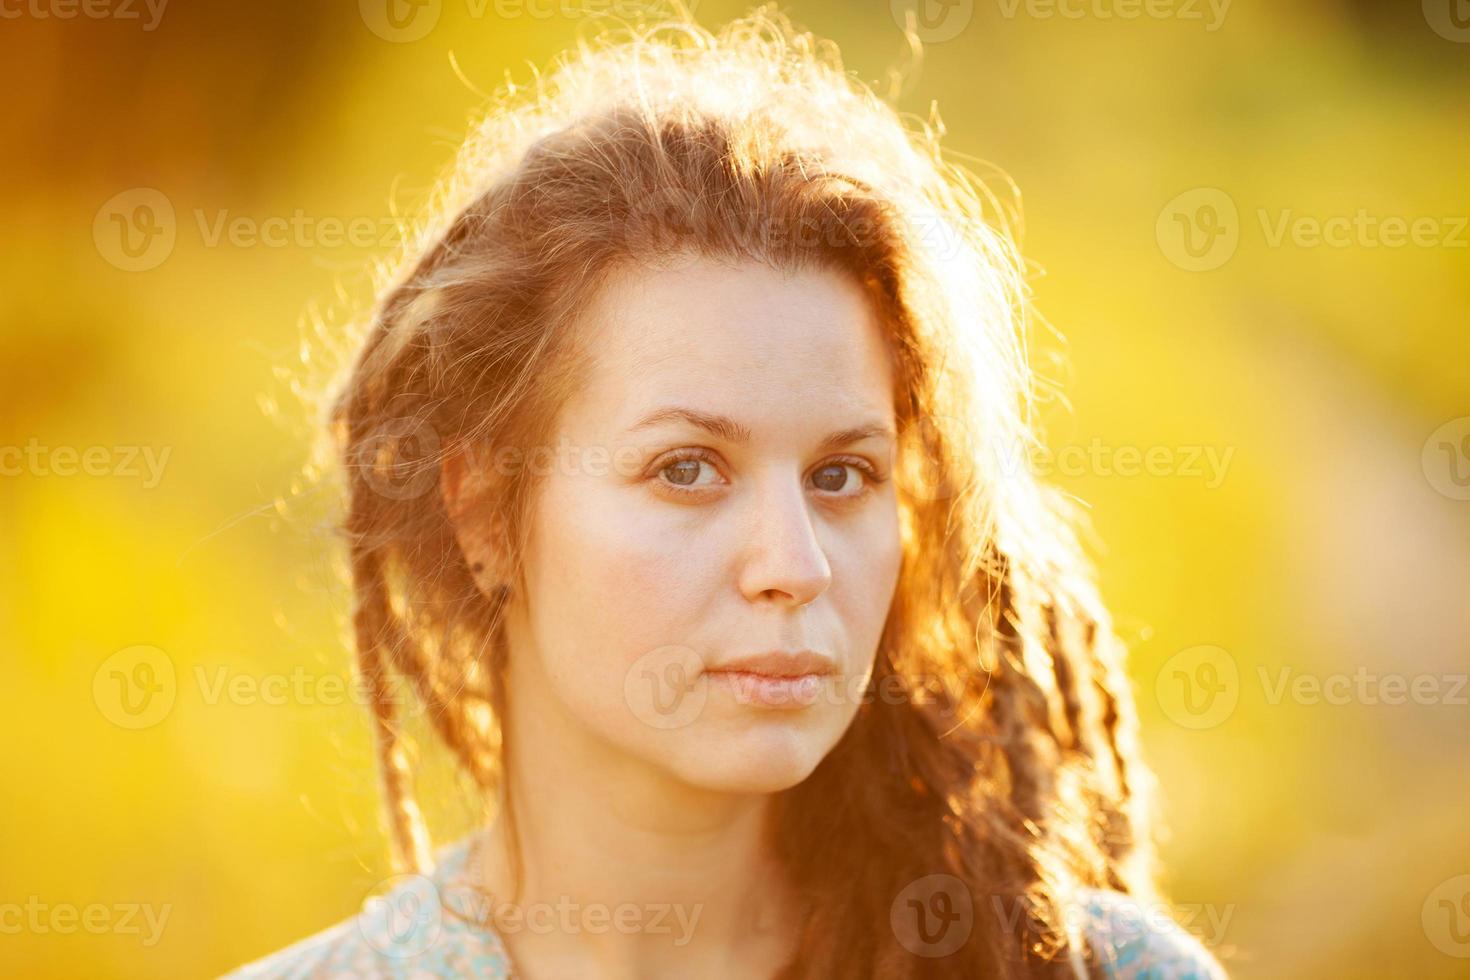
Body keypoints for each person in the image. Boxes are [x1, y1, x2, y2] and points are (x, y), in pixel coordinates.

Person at [224, 7, 1229, 978]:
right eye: (687, 469)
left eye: (842, 475)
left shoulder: (1094, 970)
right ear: (486, 512)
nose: (794, 567)